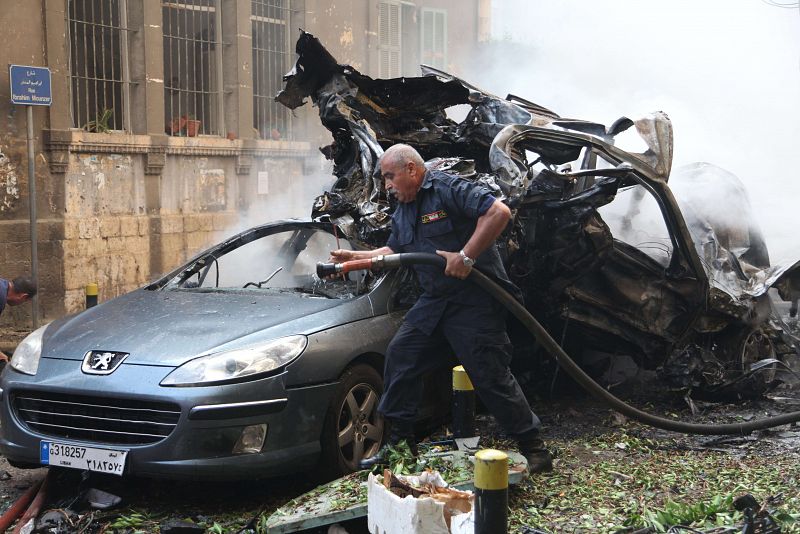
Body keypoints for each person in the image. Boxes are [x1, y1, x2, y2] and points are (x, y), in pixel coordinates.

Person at [328, 144, 553, 473]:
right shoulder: (403, 205)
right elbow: (398, 248)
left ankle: (534, 450)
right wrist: (358, 259)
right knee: (402, 355)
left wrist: (465, 256)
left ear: (412, 171)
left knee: (489, 375)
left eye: (390, 176)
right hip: (435, 300)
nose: (386, 185)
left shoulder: (447, 188)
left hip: (475, 299)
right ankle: (399, 449)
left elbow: (499, 213)